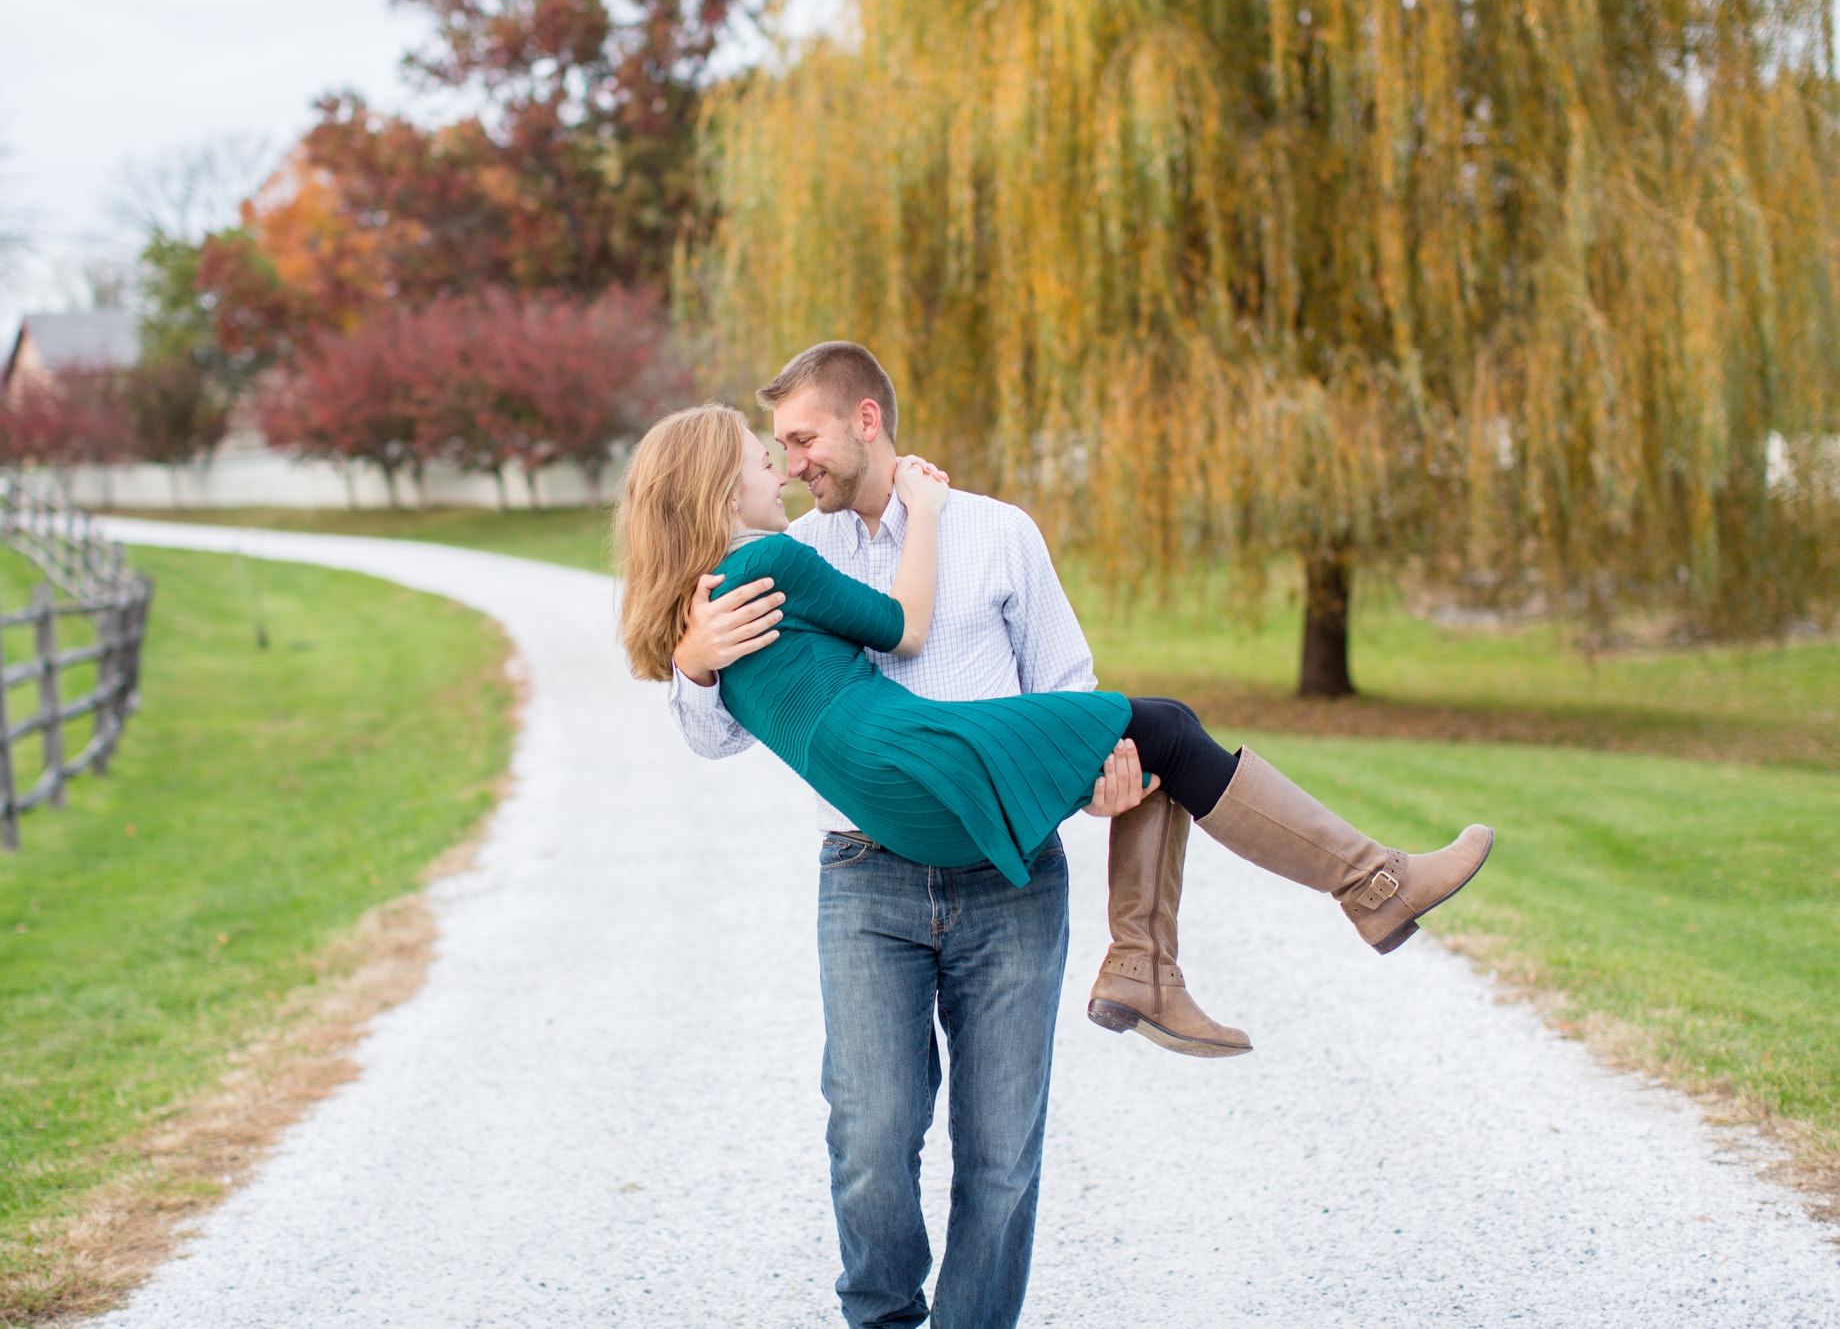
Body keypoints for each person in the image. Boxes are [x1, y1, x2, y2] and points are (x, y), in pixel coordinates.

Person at [627, 355, 1491, 1328]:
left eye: (799, 440)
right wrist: (690, 665)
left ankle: (1160, 956)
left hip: (1008, 883)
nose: (787, 466)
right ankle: (1321, 899)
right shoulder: (789, 553)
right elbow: (719, 735)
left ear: (865, 420)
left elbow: (1068, 694)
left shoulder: (997, 534)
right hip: (868, 878)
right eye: (770, 451)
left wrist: (1100, 787)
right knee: (870, 1142)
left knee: (1001, 1154)